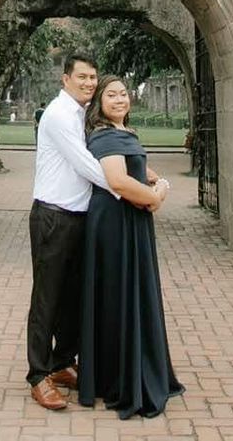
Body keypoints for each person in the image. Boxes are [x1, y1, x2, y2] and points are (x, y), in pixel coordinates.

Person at [77, 76, 183, 418]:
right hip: (115, 222)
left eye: (123, 93)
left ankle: (127, 368)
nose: (120, 99)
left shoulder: (123, 132)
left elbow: (134, 163)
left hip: (129, 221)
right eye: (111, 95)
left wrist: (154, 177)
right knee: (118, 293)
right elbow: (118, 181)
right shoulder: (105, 135)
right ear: (99, 103)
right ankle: (119, 379)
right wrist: (157, 195)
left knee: (129, 292)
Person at [25, 51, 120, 411]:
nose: (89, 83)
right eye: (82, 76)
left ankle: (62, 362)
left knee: (73, 298)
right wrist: (125, 188)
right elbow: (85, 165)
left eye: (93, 77)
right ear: (65, 79)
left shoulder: (83, 113)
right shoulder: (59, 115)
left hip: (80, 217)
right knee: (47, 299)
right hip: (53, 216)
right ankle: (38, 375)